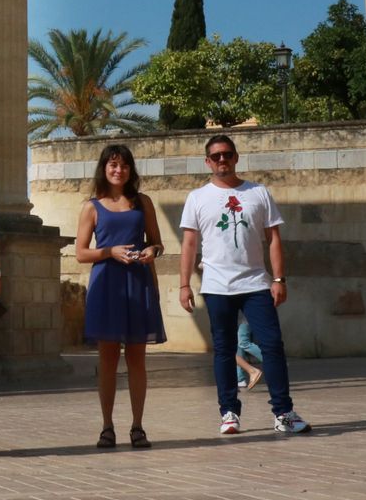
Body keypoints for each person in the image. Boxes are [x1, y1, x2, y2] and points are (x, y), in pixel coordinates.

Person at [179, 134, 312, 436]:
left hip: (256, 283)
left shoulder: (258, 192)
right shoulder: (197, 197)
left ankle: (283, 413)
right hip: (217, 285)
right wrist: (184, 285)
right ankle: (229, 413)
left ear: (236, 157)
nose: (222, 160)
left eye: (227, 154)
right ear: (207, 162)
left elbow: (273, 238)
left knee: (272, 345)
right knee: (224, 350)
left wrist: (278, 278)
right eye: (216, 156)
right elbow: (189, 243)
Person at [74, 144, 165, 449]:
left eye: (124, 165)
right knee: (108, 359)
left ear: (130, 170)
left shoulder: (143, 202)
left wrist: (151, 251)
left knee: (137, 358)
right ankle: (107, 426)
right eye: (113, 165)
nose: (118, 170)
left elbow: (157, 243)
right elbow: (80, 253)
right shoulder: (91, 207)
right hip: (107, 285)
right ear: (104, 168)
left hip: (138, 283)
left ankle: (138, 426)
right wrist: (109, 251)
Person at [235, 319, 264, 391]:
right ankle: (240, 379)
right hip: (238, 318)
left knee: (242, 343)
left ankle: (274, 360)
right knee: (237, 344)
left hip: (245, 316)